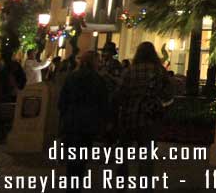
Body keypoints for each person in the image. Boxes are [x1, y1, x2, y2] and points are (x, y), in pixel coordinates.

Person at [113, 42, 173, 180]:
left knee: (123, 153)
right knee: (146, 156)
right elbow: (169, 93)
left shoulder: (130, 71)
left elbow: (120, 93)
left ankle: (122, 182)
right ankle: (145, 185)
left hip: (129, 116)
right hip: (150, 118)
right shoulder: (159, 71)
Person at [59, 51, 109, 192]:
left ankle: (71, 186)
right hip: (88, 122)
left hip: (72, 120)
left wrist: (64, 116)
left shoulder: (72, 77)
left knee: (72, 158)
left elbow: (62, 101)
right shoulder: (97, 80)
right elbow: (103, 102)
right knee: (81, 157)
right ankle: (77, 185)